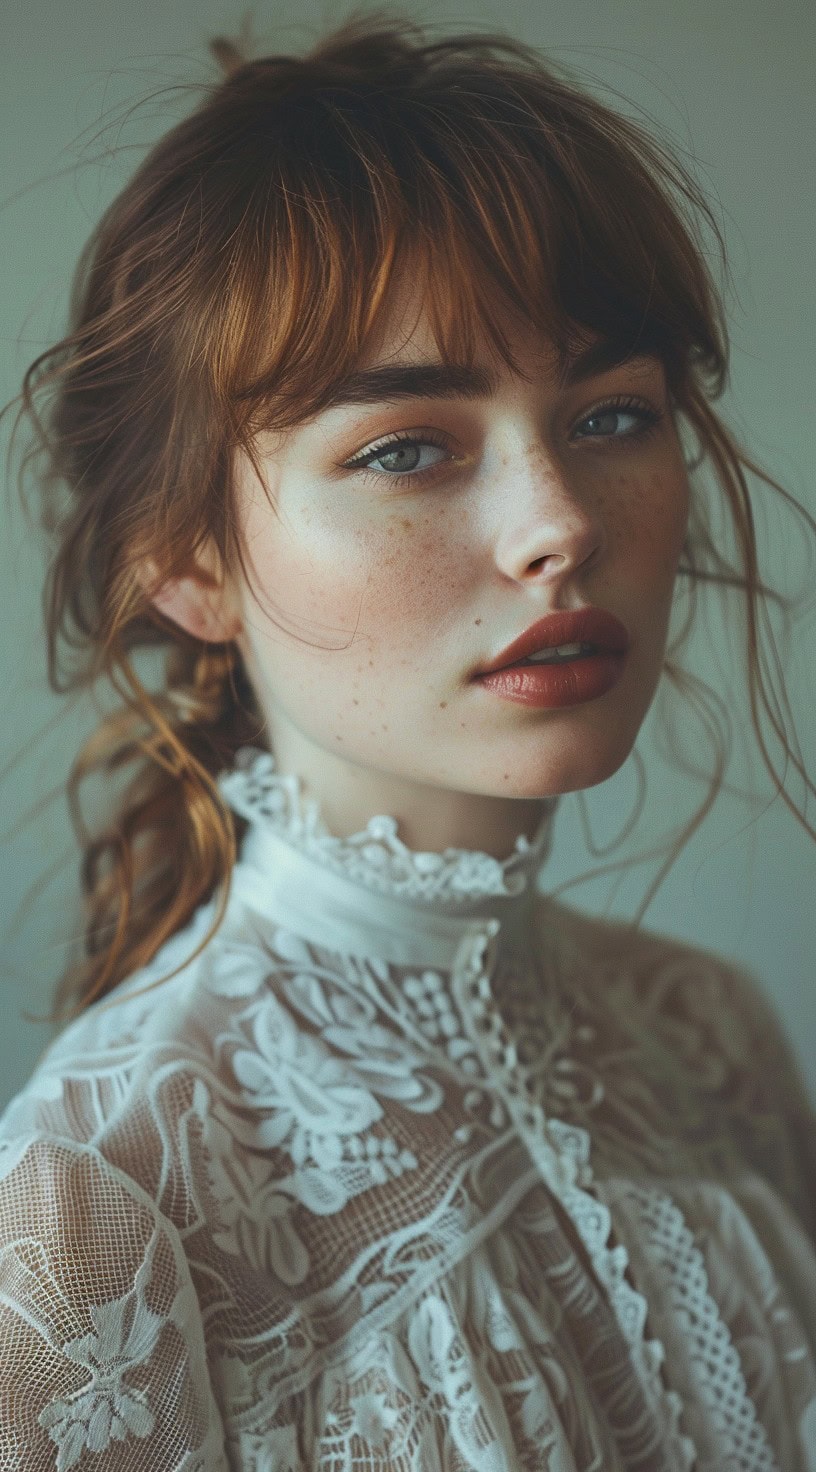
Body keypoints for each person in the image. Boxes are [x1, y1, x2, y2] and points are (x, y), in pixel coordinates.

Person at [1, 10, 814, 1469]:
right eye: (405, 448)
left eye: (613, 415)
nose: (560, 522)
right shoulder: (91, 1204)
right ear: (184, 560)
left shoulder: (719, 1045)